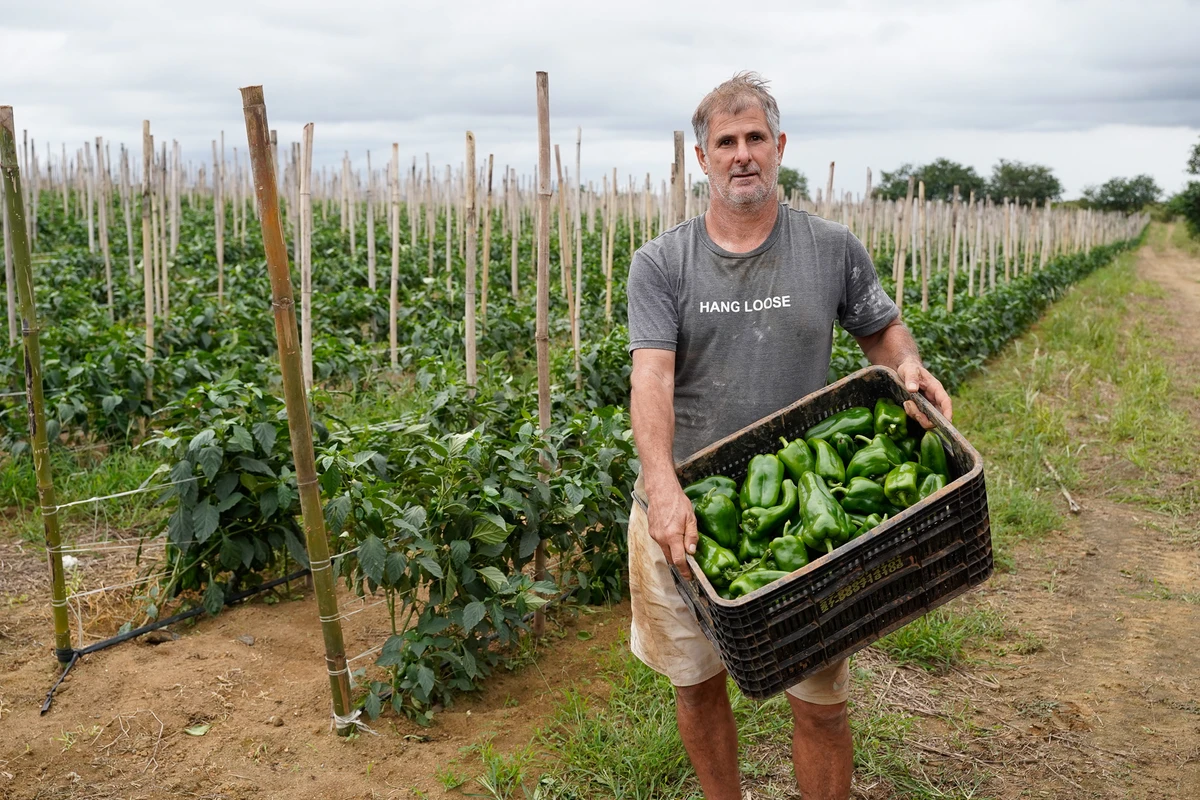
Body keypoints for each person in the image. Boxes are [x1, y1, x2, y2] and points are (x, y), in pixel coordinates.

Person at [625, 71, 954, 800]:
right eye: (725, 142)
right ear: (701, 158)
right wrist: (661, 486)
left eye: (754, 139)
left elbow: (881, 330)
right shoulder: (661, 263)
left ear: (780, 146)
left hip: (806, 503)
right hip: (684, 501)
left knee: (821, 698)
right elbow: (649, 378)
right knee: (696, 683)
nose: (742, 154)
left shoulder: (830, 247)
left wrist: (908, 367)